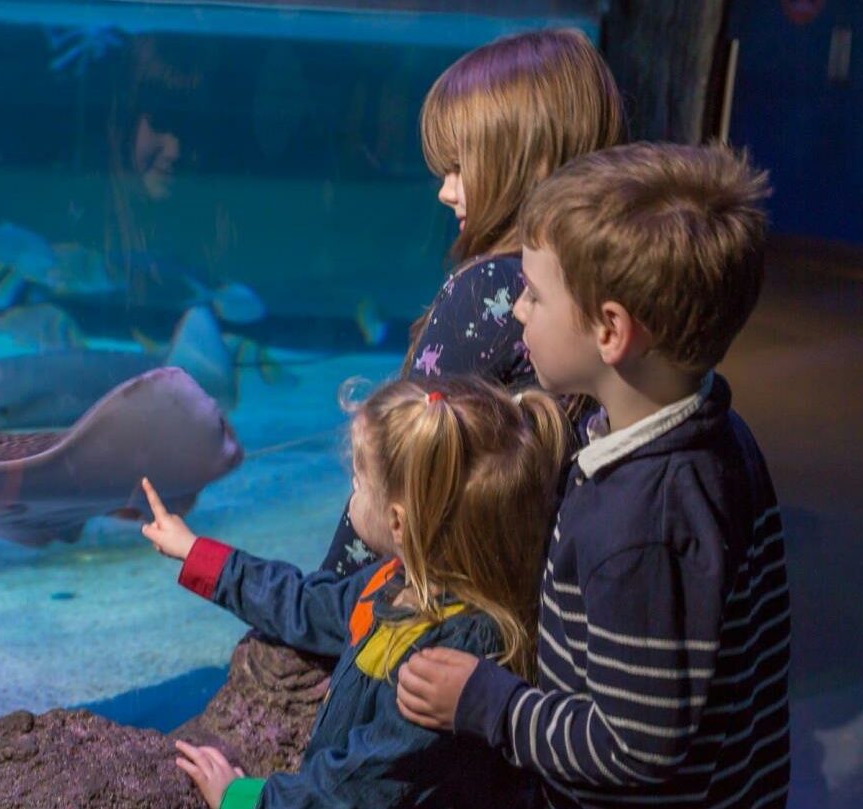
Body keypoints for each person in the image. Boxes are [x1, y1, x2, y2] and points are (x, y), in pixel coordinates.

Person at [395, 143, 791, 809]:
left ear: (610, 329)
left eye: (534, 294)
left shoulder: (643, 522)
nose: (518, 310)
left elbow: (632, 746)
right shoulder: (717, 434)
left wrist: (486, 702)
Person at [140, 375, 569, 808]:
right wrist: (199, 555)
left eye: (360, 484)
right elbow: (304, 604)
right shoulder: (393, 582)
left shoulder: (450, 655)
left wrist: (244, 798)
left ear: (398, 522)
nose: (353, 495)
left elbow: (359, 789)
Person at [319, 27, 625, 577]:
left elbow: (396, 470)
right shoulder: (597, 286)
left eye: (461, 166)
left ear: (529, 162)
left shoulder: (491, 287)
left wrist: (316, 607)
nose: (445, 190)